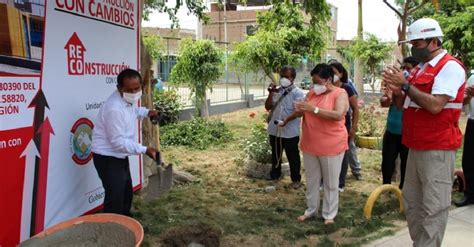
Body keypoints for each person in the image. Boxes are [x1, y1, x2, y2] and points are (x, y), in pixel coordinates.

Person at [383, 18, 466, 246]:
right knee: (412, 203)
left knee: (434, 207)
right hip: (416, 145)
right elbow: (403, 106)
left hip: (437, 148)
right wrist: (397, 90)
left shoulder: (449, 67)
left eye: (416, 43)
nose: (413, 47)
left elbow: (435, 105)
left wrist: (407, 86)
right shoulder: (420, 69)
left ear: (433, 41)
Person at [91, 68, 160, 216]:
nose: (135, 93)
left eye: (137, 88)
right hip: (107, 157)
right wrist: (145, 149)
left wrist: (148, 112)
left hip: (119, 156)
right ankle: (112, 232)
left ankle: (126, 224)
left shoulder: (127, 99)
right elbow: (118, 142)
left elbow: (133, 111)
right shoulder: (114, 108)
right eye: (130, 90)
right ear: (119, 88)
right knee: (115, 197)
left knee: (126, 192)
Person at [292, 63, 349, 225]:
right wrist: (299, 109)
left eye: (317, 82)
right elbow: (303, 112)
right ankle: (310, 210)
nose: (314, 85)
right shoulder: (312, 93)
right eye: (313, 82)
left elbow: (338, 115)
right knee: (312, 181)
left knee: (331, 183)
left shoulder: (340, 93)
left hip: (331, 145)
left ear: (328, 80)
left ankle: (329, 214)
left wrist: (313, 110)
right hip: (310, 144)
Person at [379, 57, 418, 189]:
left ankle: (403, 189)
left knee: (406, 163)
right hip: (392, 129)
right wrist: (390, 96)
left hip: (408, 132)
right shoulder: (395, 84)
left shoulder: (415, 87)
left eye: (408, 68)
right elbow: (384, 102)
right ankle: (386, 187)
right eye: (403, 68)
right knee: (387, 161)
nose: (405, 71)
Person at [265, 66, 305, 188]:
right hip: (275, 129)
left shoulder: (297, 93)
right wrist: (271, 93)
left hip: (290, 131)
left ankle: (296, 180)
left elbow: (299, 112)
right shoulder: (277, 91)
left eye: (286, 76)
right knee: (276, 154)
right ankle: (275, 176)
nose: (283, 79)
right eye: (282, 76)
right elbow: (268, 107)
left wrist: (287, 119)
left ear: (292, 78)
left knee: (292, 155)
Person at [329, 60, 362, 182]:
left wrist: (354, 127)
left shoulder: (347, 88)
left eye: (334, 72)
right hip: (329, 124)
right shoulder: (326, 88)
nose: (332, 75)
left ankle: (345, 178)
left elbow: (355, 108)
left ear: (341, 74)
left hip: (344, 124)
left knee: (345, 150)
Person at [455, 70, 474, 207]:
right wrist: (468, 95)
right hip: (473, 121)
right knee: (469, 160)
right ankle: (469, 194)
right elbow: (463, 102)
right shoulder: (473, 78)